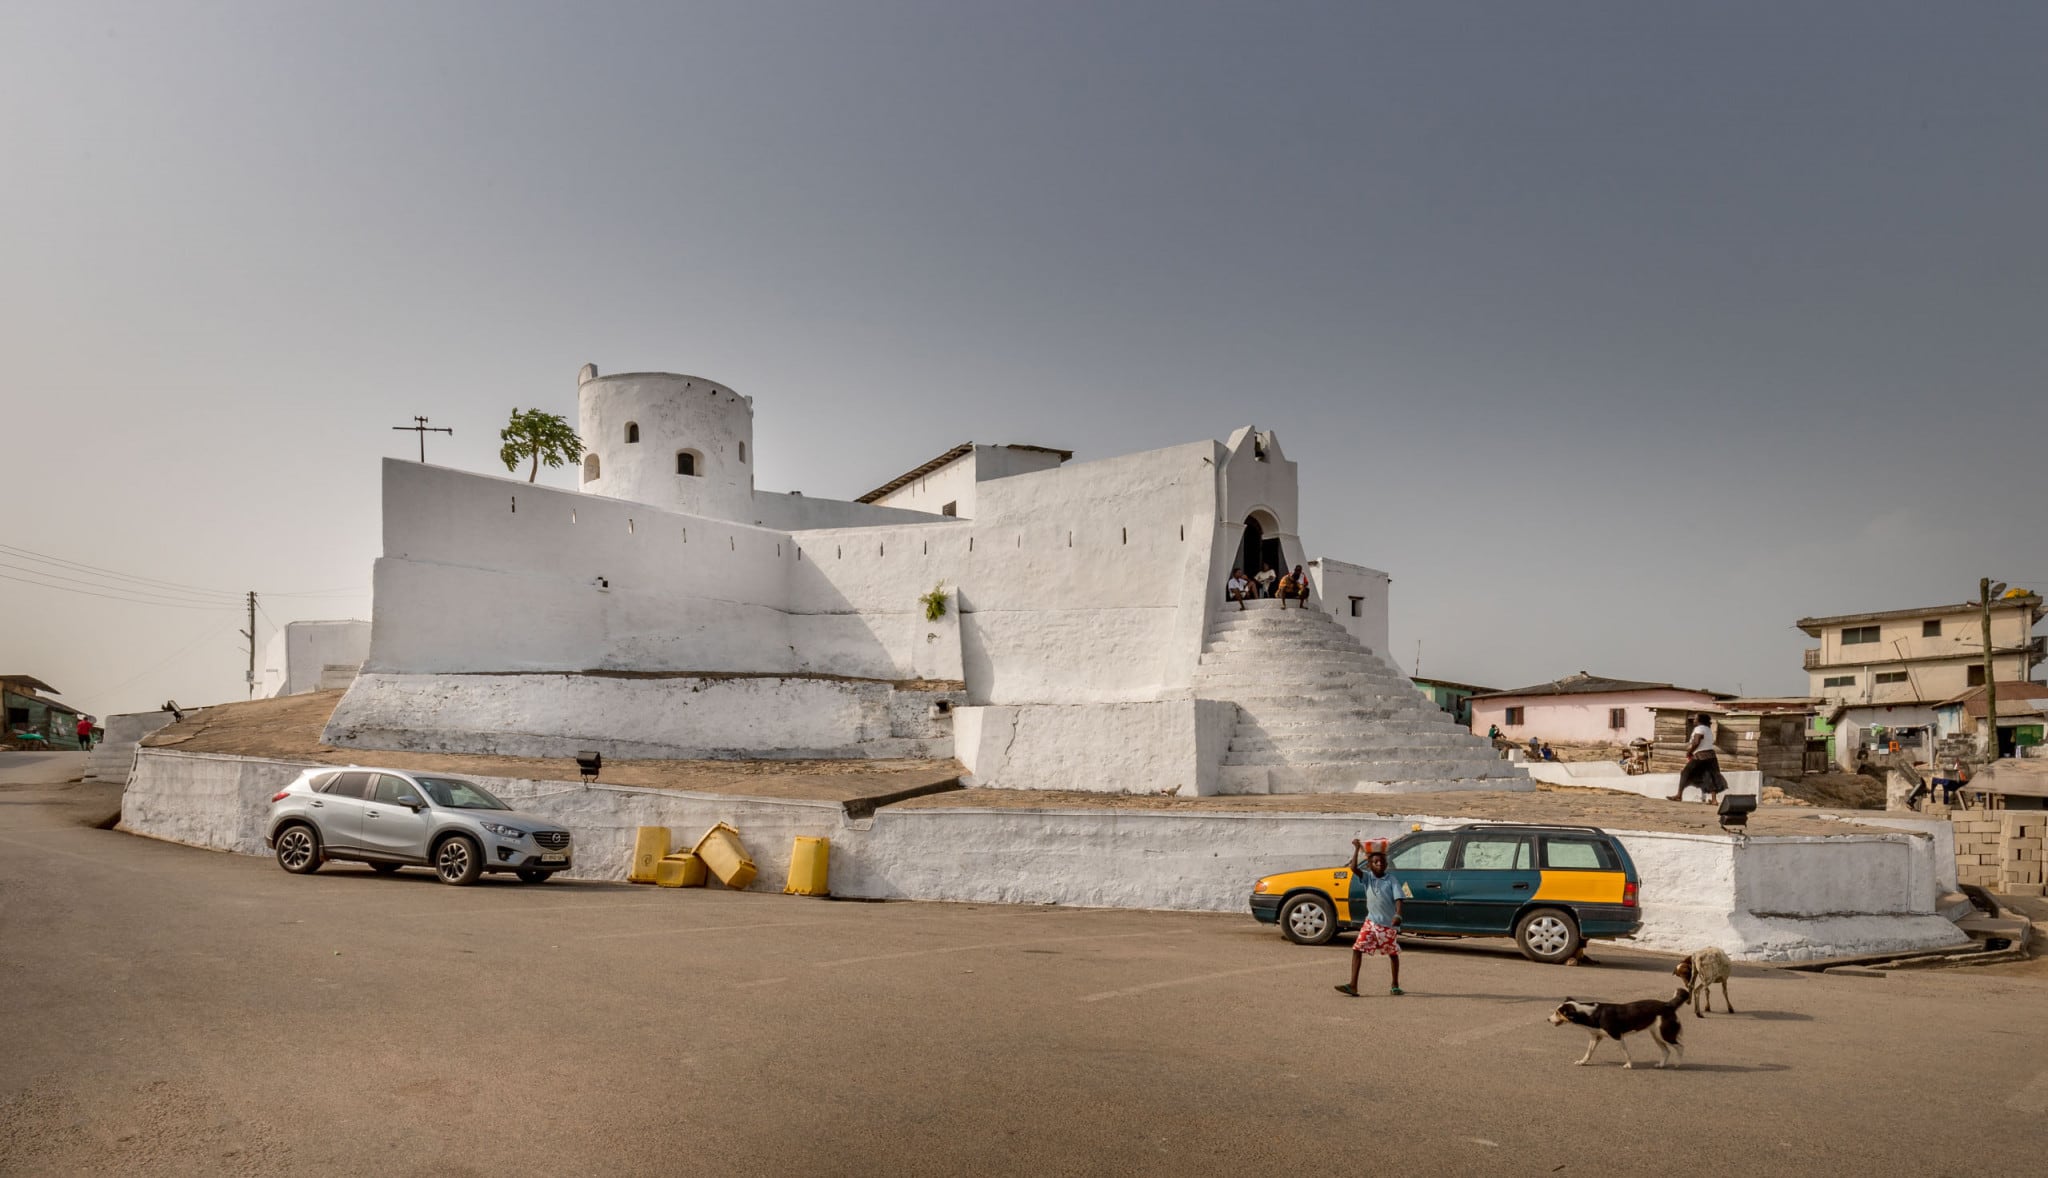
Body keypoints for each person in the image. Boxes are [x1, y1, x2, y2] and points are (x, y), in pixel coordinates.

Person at [1335, 839, 1403, 997]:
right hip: (1370, 923)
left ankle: (1395, 984)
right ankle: (1353, 985)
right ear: (1369, 865)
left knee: (1392, 953)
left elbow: (1399, 899)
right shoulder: (1368, 878)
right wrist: (1357, 849)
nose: (1379, 864)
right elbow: (1353, 868)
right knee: (1357, 949)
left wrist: (1398, 914)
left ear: (1386, 864)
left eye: (1382, 862)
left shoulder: (1391, 880)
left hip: (1387, 925)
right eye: (1375, 862)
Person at [1669, 712, 1727, 802]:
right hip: (1711, 756)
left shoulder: (1699, 728)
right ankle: (1714, 800)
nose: (1694, 720)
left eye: (1695, 718)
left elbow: (1696, 742)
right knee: (1710, 775)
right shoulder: (1708, 729)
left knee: (1685, 773)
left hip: (1700, 756)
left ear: (1700, 720)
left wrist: (1689, 752)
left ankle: (1679, 795)